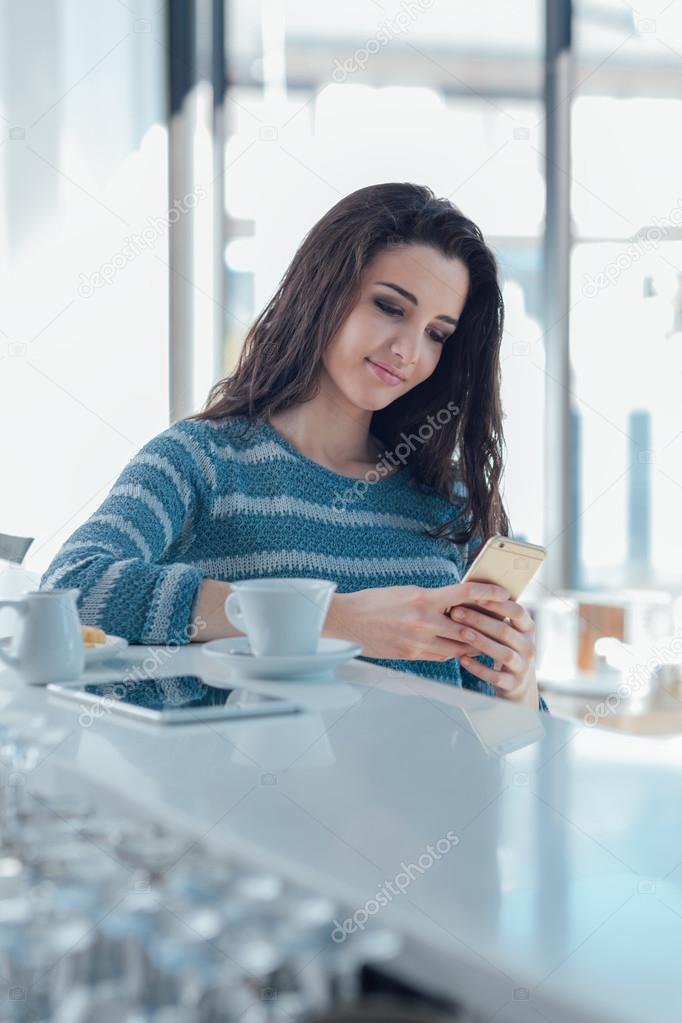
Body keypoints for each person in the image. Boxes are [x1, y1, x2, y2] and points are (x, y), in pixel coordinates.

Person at [40, 182, 546, 710]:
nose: (408, 351)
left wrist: (519, 685)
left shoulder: (446, 499)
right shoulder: (200, 460)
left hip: (429, 791)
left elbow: (506, 747)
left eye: (438, 334)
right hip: (242, 789)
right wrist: (335, 620)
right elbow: (71, 589)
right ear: (324, 289)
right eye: (390, 307)